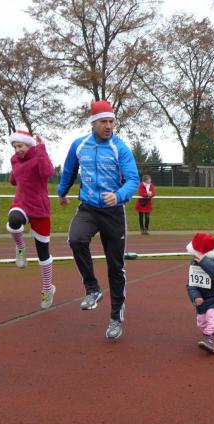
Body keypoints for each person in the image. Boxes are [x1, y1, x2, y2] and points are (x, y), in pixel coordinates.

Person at [57, 100, 140, 340]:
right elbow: (69, 171)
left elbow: (133, 180)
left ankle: (115, 318)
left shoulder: (120, 148)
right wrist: (62, 192)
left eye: (111, 121)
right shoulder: (79, 145)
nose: (109, 126)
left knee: (115, 267)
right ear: (93, 123)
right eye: (104, 121)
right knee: (76, 240)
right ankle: (92, 289)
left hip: (113, 212)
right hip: (89, 208)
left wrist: (119, 196)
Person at [7, 130, 56, 309]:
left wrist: (41, 148)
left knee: (43, 254)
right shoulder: (14, 160)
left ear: (29, 145)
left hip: (39, 209)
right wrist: (13, 174)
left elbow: (48, 171)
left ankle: (47, 288)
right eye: (15, 147)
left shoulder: (39, 157)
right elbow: (14, 180)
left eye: (20, 146)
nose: (17, 150)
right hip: (21, 203)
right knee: (13, 221)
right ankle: (20, 247)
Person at [186, 232, 214, 354]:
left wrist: (204, 261)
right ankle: (208, 336)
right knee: (201, 322)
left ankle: (210, 340)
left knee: (211, 315)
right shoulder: (195, 261)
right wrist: (195, 296)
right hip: (202, 297)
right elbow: (191, 283)